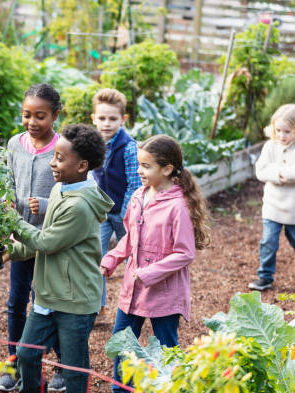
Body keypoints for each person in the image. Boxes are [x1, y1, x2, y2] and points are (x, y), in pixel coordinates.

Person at [5, 124, 114, 393]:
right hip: (48, 294)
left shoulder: (80, 205)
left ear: (82, 166)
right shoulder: (60, 189)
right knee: (27, 355)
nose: (52, 163)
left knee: (74, 370)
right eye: (54, 155)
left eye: (60, 159)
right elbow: (46, 238)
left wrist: (12, 222)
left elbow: (47, 242)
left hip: (75, 300)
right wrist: (11, 253)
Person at [101, 134, 210, 393]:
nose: (139, 171)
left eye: (146, 166)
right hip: (132, 288)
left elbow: (185, 253)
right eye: (139, 164)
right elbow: (130, 237)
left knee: (166, 349)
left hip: (164, 292)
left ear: (167, 169)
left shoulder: (178, 206)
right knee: (122, 342)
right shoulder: (139, 195)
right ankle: (120, 389)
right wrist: (111, 259)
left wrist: (149, 273)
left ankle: (171, 388)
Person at [0, 83, 66, 392]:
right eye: (27, 115)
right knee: (16, 302)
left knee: (47, 303)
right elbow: (9, 183)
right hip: (22, 238)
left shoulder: (64, 147)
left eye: (41, 116)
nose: (33, 122)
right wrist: (5, 208)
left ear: (55, 115)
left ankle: (61, 365)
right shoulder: (15, 144)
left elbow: (76, 190)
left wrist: (49, 205)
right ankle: (15, 362)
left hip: (51, 238)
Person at [248, 104, 295, 291]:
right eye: (278, 130)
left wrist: (275, 172)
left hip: (294, 206)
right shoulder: (270, 146)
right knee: (268, 241)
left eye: (287, 131)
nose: (282, 135)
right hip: (272, 205)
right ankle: (265, 276)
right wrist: (280, 175)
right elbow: (260, 170)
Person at [90, 88, 141, 317]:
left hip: (123, 213)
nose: (106, 124)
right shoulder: (93, 144)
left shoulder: (128, 147)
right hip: (101, 213)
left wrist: (126, 216)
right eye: (101, 118)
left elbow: (134, 184)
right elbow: (90, 176)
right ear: (94, 119)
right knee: (95, 257)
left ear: (123, 119)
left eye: (112, 119)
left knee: (132, 259)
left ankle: (135, 304)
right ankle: (98, 306)